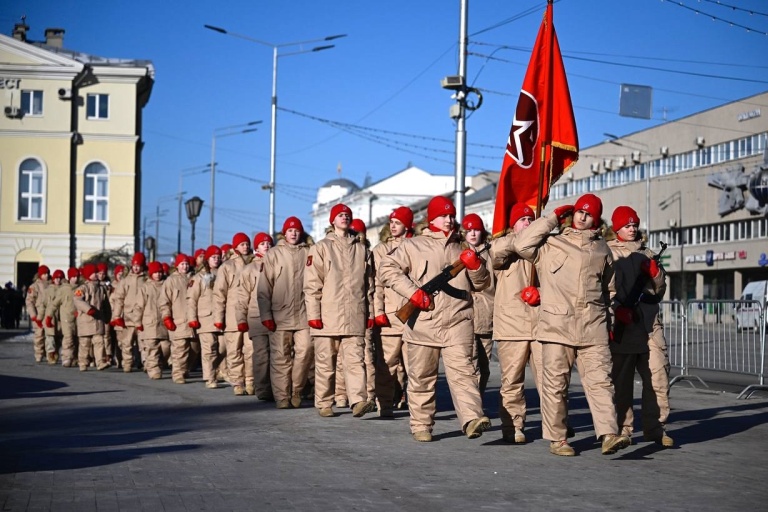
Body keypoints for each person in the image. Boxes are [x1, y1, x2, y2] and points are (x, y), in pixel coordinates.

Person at [513, 193, 630, 456]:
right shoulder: (551, 244)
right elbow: (521, 244)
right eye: (580, 211)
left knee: (601, 382)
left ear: (597, 220)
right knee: (555, 385)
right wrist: (551, 217)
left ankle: (609, 434)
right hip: (557, 326)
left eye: (590, 213)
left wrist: (608, 318)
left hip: (593, 327)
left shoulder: (603, 250)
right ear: (572, 214)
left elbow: (609, 290)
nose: (583, 216)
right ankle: (558, 439)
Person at [379, 196, 492, 442]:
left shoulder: (463, 248)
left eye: (452, 216)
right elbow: (387, 269)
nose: (449, 220)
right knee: (422, 377)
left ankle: (472, 418)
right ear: (432, 219)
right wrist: (412, 293)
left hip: (458, 320)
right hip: (423, 321)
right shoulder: (413, 246)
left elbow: (482, 284)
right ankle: (421, 424)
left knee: (465, 373)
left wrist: (476, 267)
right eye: (444, 216)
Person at [607, 205, 674, 448]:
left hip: (648, 325)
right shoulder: (610, 253)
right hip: (622, 326)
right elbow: (602, 289)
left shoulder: (649, 253)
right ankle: (623, 429)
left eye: (634, 224)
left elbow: (660, 291)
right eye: (627, 225)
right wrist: (615, 310)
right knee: (621, 383)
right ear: (617, 229)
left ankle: (656, 428)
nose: (632, 229)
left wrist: (656, 274)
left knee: (658, 378)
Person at [304, 203, 376, 418]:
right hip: (328, 316)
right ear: (332, 220)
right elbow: (311, 285)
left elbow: (370, 286)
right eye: (340, 215)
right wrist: (313, 315)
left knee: (356, 361)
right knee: (326, 363)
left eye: (347, 215)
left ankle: (358, 401)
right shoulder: (321, 248)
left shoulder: (362, 250)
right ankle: (325, 402)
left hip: (354, 314)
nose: (344, 218)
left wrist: (370, 313)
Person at [489, 203, 540, 444]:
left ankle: (557, 427)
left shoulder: (543, 248)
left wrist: (541, 291)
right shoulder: (502, 245)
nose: (528, 224)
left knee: (551, 379)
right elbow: (495, 255)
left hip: (542, 323)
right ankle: (513, 426)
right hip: (512, 326)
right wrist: (520, 239)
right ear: (512, 224)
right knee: (512, 381)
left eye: (531, 220)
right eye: (523, 220)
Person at [257, 217, 314, 409]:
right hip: (280, 315)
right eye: (290, 230)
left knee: (305, 352)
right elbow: (264, 287)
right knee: (281, 357)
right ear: (284, 233)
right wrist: (266, 316)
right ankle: (282, 396)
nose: (293, 233)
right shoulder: (274, 254)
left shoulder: (309, 252)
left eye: (297, 230)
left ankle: (296, 390)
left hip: (304, 315)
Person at [372, 206, 414, 417]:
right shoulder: (381, 250)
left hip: (414, 315)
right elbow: (377, 284)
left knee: (414, 366)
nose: (393, 225)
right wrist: (378, 311)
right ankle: (385, 404)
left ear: (407, 224)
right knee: (387, 364)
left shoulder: (416, 246)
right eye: (392, 222)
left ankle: (416, 407)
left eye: (398, 222)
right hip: (389, 316)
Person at [334, 218, 377, 407]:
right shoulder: (334, 251)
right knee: (340, 359)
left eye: (360, 234)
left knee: (364, 357)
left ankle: (365, 397)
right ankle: (341, 394)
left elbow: (371, 288)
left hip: (360, 313)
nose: (358, 237)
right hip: (337, 314)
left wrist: (372, 313)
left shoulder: (366, 254)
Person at [213, 233, 253, 396]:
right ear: (235, 247)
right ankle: (238, 382)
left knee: (250, 350)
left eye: (246, 244)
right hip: (232, 316)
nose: (245, 247)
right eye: (242, 244)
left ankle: (250, 380)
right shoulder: (227, 267)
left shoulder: (254, 264)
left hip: (250, 314)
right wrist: (218, 318)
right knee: (234, 350)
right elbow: (219, 294)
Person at [237, 232, 274, 400]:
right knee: (261, 354)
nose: (266, 245)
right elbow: (242, 296)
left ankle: (277, 388)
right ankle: (262, 389)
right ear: (256, 247)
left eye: (268, 243)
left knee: (278, 355)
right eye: (262, 243)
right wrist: (241, 319)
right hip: (256, 316)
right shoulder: (250, 269)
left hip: (277, 315)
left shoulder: (276, 263)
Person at [461, 213, 495, 397]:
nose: (473, 233)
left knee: (485, 366)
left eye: (476, 229)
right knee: (470, 365)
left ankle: (477, 400)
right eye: (468, 230)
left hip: (487, 316)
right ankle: (471, 407)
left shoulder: (491, 253)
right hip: (465, 316)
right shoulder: (457, 252)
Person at [187, 245, 224, 389]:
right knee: (209, 348)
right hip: (205, 318)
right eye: (213, 257)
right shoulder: (198, 278)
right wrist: (192, 318)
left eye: (218, 257)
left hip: (221, 317)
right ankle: (210, 377)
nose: (216, 260)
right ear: (207, 259)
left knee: (223, 347)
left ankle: (221, 371)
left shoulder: (222, 274)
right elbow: (191, 299)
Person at [159, 253, 194, 384]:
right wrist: (167, 316)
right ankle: (178, 373)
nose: (185, 266)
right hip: (178, 320)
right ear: (177, 266)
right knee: (180, 349)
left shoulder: (193, 278)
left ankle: (185, 369)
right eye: (182, 264)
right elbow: (164, 301)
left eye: (186, 264)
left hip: (193, 320)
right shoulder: (171, 281)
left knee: (194, 349)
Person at [110, 253, 147, 373]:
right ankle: (127, 363)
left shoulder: (146, 280)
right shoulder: (125, 281)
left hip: (143, 317)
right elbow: (118, 299)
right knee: (127, 343)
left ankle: (147, 363)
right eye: (134, 265)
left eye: (139, 265)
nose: (136, 268)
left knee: (144, 343)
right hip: (128, 317)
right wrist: (117, 315)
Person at [137, 261, 170, 380]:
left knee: (166, 347)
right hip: (149, 322)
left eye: (160, 272)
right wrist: (138, 322)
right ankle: (153, 369)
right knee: (152, 348)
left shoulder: (166, 285)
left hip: (163, 322)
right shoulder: (145, 287)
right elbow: (139, 306)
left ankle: (159, 363)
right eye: (155, 272)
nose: (158, 275)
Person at [73, 264, 109, 371]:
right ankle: (83, 363)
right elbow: (77, 300)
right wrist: (88, 309)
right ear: (89, 275)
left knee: (99, 341)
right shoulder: (83, 288)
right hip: (85, 321)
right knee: (85, 344)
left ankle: (100, 362)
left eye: (97, 273)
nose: (97, 275)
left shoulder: (101, 289)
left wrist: (107, 317)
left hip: (98, 320)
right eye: (95, 273)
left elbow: (106, 304)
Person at [46, 268, 80, 367]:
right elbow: (54, 304)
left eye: (77, 276)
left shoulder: (80, 288)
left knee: (76, 338)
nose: (75, 279)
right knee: (68, 337)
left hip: (78, 317)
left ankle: (74, 357)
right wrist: (49, 316)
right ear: (69, 278)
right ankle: (66, 358)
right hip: (66, 317)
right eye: (73, 277)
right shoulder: (64, 290)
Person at [26, 265, 50, 362]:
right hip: (39, 315)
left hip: (49, 314)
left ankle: (49, 354)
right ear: (40, 275)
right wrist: (33, 316)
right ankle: (39, 353)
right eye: (44, 274)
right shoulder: (34, 286)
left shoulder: (52, 284)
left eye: (47, 273)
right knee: (39, 336)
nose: (46, 275)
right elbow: (29, 302)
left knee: (49, 336)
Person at [41, 269, 65, 364]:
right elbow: (43, 304)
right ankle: (50, 354)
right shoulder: (48, 290)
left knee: (58, 338)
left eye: (60, 278)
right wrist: (40, 317)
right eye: (56, 278)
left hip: (61, 317)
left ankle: (55, 353)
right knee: (50, 337)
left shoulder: (64, 289)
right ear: (53, 279)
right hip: (50, 316)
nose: (58, 280)